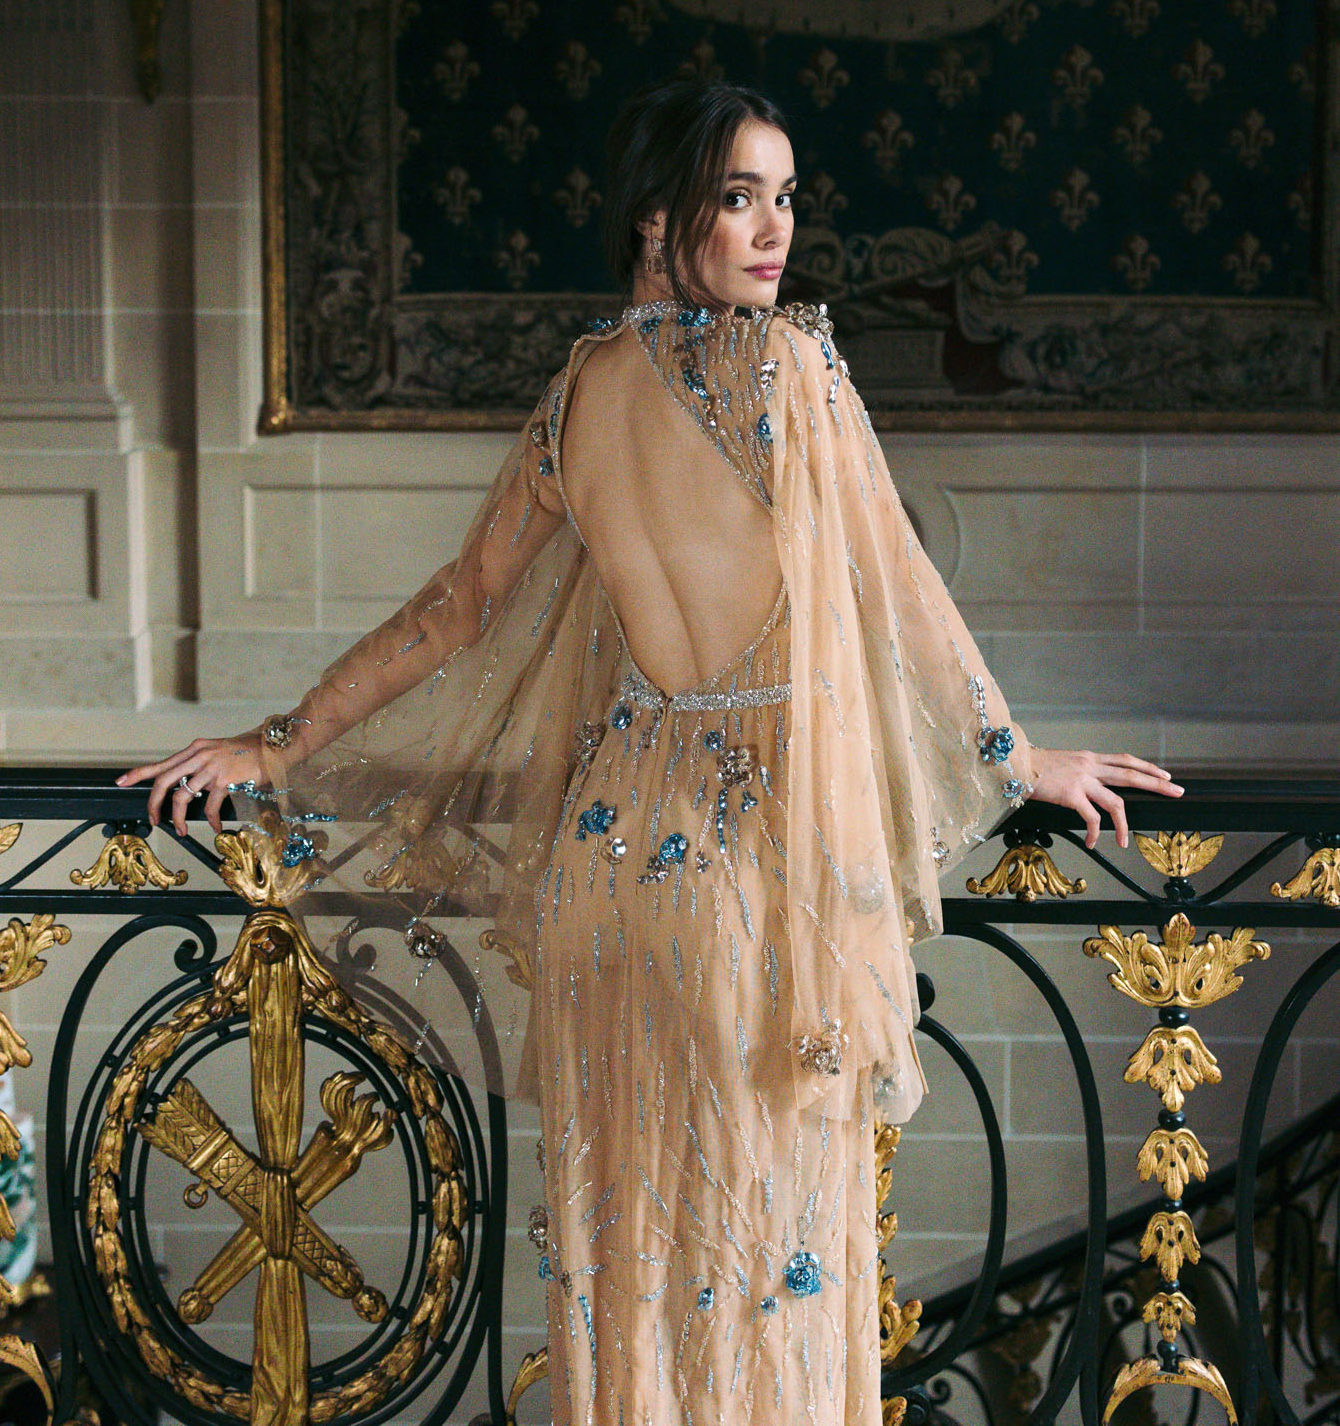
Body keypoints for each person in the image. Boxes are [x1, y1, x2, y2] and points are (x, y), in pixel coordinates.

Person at [120, 79, 1180, 1426]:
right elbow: (894, 586)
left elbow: (458, 608)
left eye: (784, 197)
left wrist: (280, 744)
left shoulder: (580, 392)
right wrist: (1012, 753)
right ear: (657, 215)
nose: (772, 229)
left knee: (631, 1253)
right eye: (738, 197)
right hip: (749, 875)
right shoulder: (789, 367)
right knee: (764, 1250)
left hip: (612, 867)